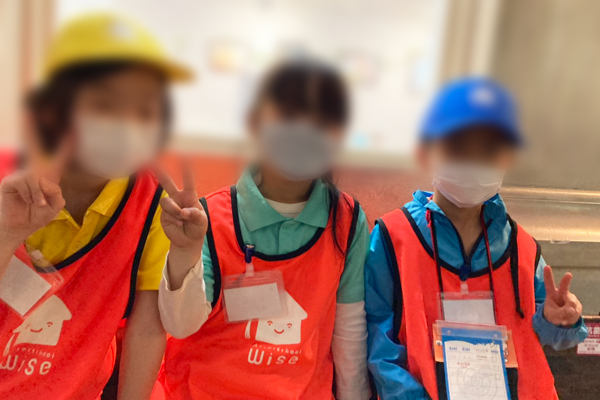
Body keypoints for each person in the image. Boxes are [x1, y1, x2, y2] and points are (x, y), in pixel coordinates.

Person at [0, 13, 191, 400]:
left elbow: (147, 326)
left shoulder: (154, 204)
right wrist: (8, 232)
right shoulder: (9, 179)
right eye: (105, 106)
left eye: (145, 111)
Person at [157, 59, 371, 400]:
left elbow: (349, 331)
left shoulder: (347, 220)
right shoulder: (210, 218)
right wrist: (185, 251)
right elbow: (181, 325)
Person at [365, 77, 588, 400]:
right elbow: (379, 346)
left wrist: (559, 320)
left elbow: (543, 333)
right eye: (460, 145)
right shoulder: (393, 238)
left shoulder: (520, 248)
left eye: (489, 149)